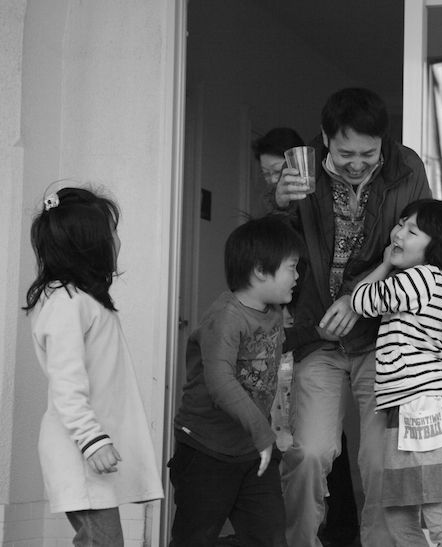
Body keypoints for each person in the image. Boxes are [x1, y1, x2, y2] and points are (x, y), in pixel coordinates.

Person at [271, 87, 433, 547]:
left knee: (381, 461)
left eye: (368, 153)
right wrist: (279, 203)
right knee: (309, 453)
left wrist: (358, 298)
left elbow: (419, 249)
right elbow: (277, 249)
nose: (358, 164)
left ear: (384, 142)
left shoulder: (407, 168)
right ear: (326, 138)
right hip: (318, 336)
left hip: (383, 337)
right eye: (346, 154)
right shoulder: (302, 169)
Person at [24, 186, 164, 547]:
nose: (118, 241)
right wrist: (91, 439)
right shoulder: (65, 303)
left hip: (89, 452)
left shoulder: (83, 300)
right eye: (112, 232)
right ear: (89, 244)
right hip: (78, 451)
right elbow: (66, 383)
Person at [168, 215, 305, 547]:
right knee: (195, 540)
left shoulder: (273, 312)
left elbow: (269, 357)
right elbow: (221, 383)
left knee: (270, 538)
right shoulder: (226, 318)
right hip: (207, 450)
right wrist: (263, 434)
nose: (297, 276)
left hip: (253, 451)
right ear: (260, 270)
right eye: (291, 267)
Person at [253, 127, 361, 547]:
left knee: (342, 453)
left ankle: (343, 531)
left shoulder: (326, 199)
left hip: (345, 338)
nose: (273, 180)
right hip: (311, 344)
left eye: (278, 171)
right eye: (266, 174)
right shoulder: (279, 214)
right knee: (310, 449)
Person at [350, 198, 442, 546]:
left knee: (439, 517)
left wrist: (384, 264)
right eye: (401, 223)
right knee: (398, 512)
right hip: (417, 406)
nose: (398, 234)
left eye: (412, 231)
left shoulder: (418, 278)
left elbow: (360, 300)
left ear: (435, 248)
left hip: (422, 406)